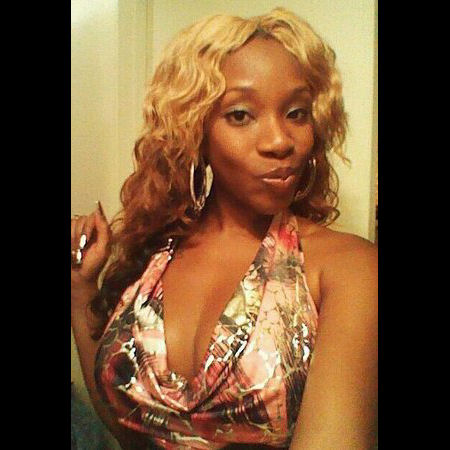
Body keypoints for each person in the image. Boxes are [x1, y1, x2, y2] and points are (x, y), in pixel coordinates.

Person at [71, 7, 377, 450]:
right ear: (194, 128)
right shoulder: (153, 254)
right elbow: (126, 421)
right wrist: (80, 288)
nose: (280, 141)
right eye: (240, 115)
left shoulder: (347, 269)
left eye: (296, 113)